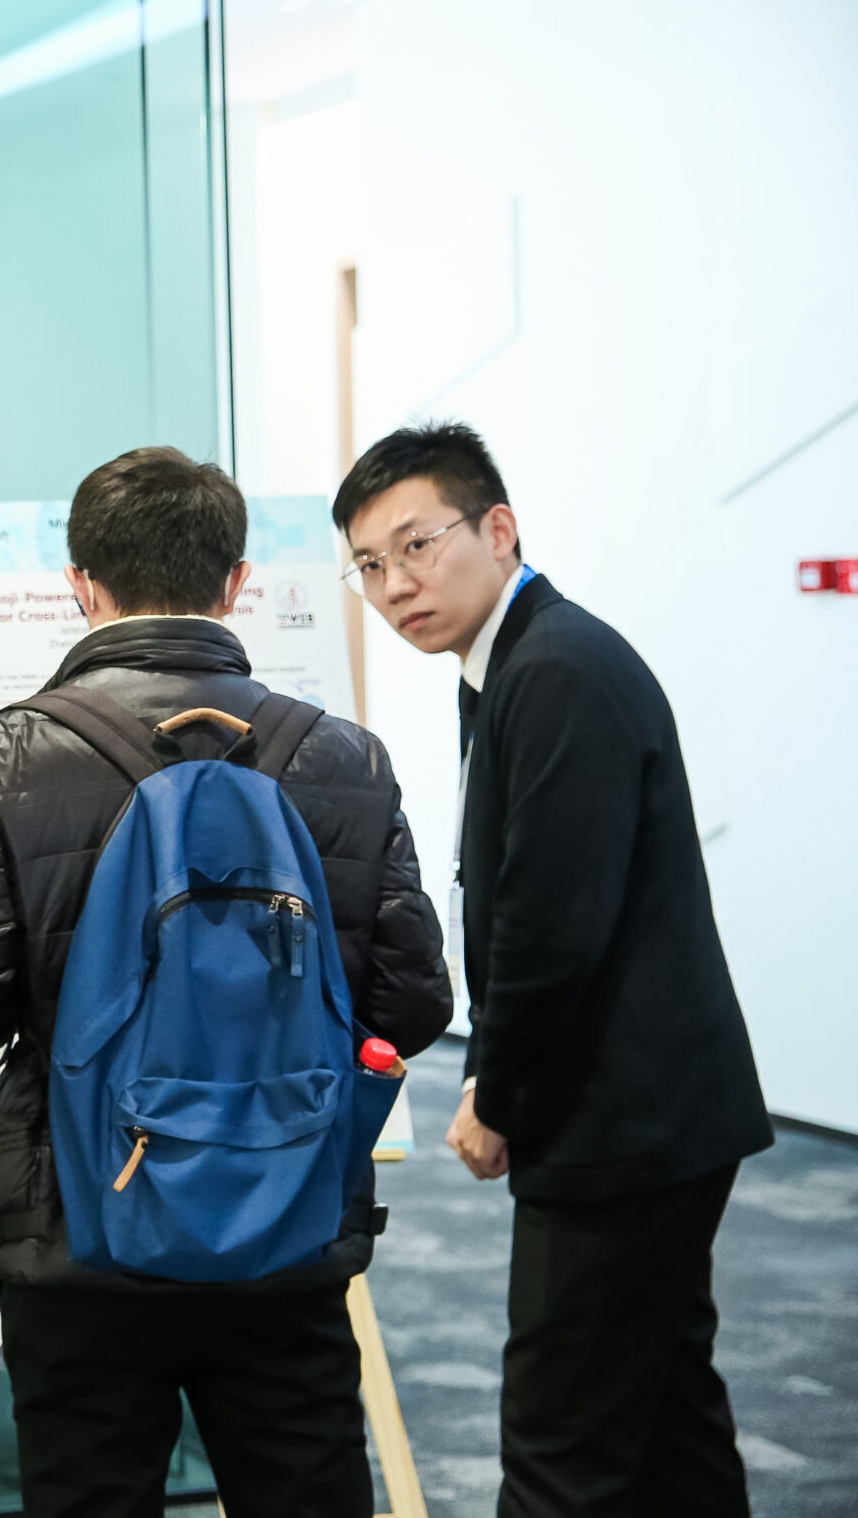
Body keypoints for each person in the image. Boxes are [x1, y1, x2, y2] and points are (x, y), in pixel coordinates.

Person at [0, 447, 452, 1518]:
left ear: (80, 584)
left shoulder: (13, 753)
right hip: (285, 1210)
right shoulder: (345, 758)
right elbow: (413, 1002)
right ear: (237, 583)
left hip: (79, 1219)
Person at [334, 421, 771, 1518]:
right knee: (666, 1426)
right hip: (647, 1106)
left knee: (558, 1448)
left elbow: (551, 924)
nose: (395, 585)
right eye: (370, 565)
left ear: (499, 528)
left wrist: (500, 1096)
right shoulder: (514, 663)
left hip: (619, 1118)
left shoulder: (557, 670)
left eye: (416, 545)